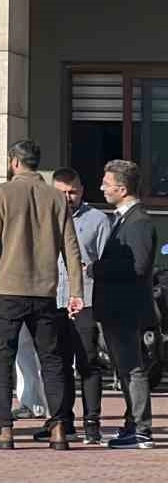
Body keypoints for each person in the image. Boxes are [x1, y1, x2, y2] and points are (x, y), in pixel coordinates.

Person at [0, 140, 83, 451]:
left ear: (14, 162)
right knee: (52, 359)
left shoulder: (3, 193)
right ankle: (58, 427)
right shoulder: (55, 196)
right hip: (44, 291)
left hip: (9, 289)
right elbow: (71, 248)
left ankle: (3, 428)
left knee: (2, 360)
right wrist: (76, 291)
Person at [33, 167, 109, 445]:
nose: (67, 198)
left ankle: (92, 424)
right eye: (61, 192)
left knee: (88, 363)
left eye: (73, 192)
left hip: (84, 301)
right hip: (52, 300)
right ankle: (61, 422)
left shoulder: (98, 220)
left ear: (82, 191)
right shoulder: (41, 218)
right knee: (57, 363)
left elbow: (106, 261)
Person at [93, 159, 159, 449]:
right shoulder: (124, 219)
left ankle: (141, 429)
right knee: (126, 369)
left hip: (127, 310)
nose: (102, 188)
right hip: (117, 309)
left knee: (132, 369)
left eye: (106, 184)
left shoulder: (139, 221)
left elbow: (138, 266)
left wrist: (96, 268)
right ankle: (133, 424)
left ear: (122, 189)